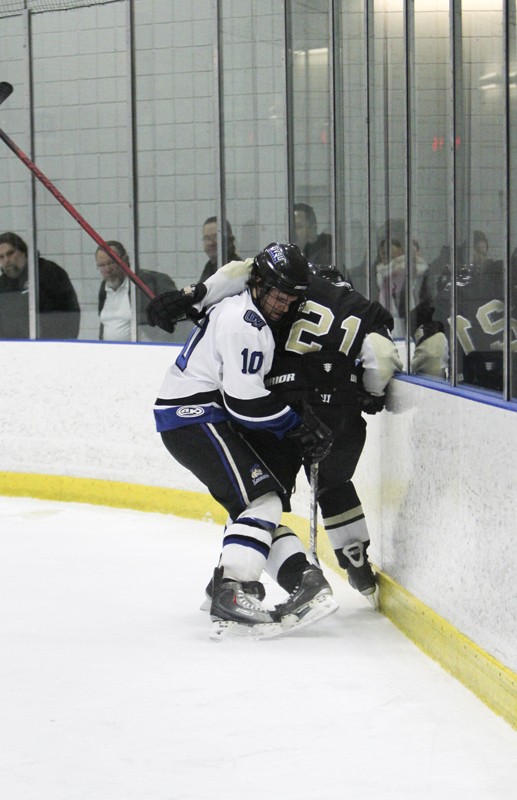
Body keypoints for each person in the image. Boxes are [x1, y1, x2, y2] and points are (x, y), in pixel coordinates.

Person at [147, 255, 403, 606]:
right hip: (335, 414)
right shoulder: (361, 308)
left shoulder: (277, 292)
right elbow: (381, 355)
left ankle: (230, 578)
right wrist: (371, 395)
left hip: (278, 406)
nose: (285, 302)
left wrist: (195, 294)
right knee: (325, 485)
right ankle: (353, 556)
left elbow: (239, 270)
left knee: (256, 499)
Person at [152, 243, 336, 637]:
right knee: (262, 500)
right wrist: (295, 426)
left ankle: (305, 581)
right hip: (194, 415)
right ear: (259, 284)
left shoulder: (242, 305)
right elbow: (245, 403)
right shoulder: (246, 323)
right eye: (277, 293)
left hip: (192, 416)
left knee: (255, 512)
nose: (282, 304)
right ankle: (232, 588)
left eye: (290, 297)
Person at [0, 231, 80, 340]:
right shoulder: (2, 285)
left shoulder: (49, 272)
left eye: (10, 253)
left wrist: (63, 345)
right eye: (1, 257)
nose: (7, 260)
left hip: (50, 347)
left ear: (23, 252)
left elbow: (70, 312)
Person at [96, 241, 177, 341]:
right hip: (110, 353)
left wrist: (161, 349)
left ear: (125, 260)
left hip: (143, 352)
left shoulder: (148, 283)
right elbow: (104, 323)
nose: (107, 269)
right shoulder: (105, 287)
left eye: (111, 263)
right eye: (101, 265)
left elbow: (172, 318)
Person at [198, 217, 240, 283]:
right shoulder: (209, 267)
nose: (211, 243)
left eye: (216, 237)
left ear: (230, 240)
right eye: (207, 238)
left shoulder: (236, 269)